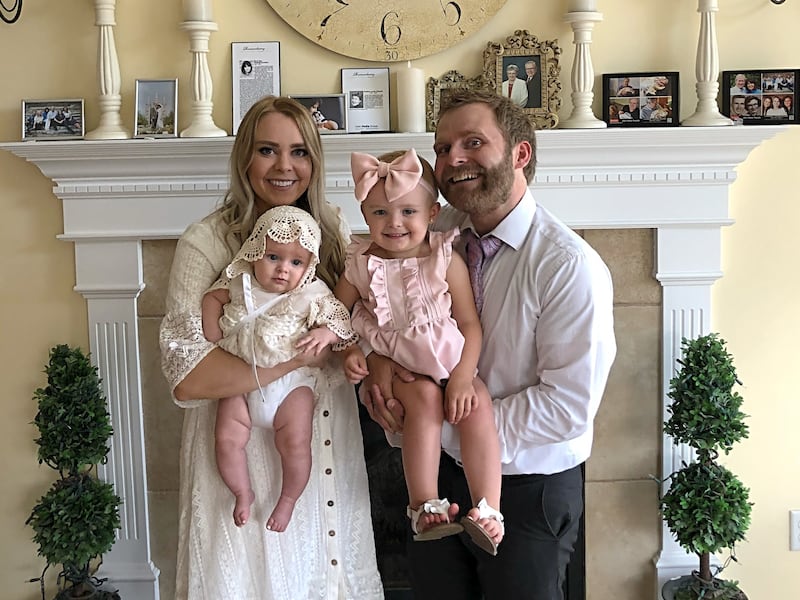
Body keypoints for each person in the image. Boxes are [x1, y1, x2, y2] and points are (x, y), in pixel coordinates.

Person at [360, 88, 617, 599]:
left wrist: (438, 424)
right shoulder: (429, 234)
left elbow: (567, 408)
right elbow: (389, 316)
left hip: (527, 491)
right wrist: (378, 369)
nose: (452, 159)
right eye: (442, 147)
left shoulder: (567, 266)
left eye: (472, 142)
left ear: (520, 154)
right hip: (438, 484)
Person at [159, 95, 383, 599]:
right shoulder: (207, 242)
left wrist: (377, 373)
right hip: (240, 448)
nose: (285, 166)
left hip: (323, 429)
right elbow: (187, 369)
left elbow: (357, 324)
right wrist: (281, 367)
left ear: (315, 161)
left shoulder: (331, 231)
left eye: (300, 152)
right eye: (267, 150)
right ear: (244, 159)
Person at [336, 148, 504, 555]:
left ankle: (488, 510)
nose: (394, 224)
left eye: (408, 212)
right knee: (426, 402)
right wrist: (351, 353)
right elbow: (334, 316)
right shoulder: (359, 264)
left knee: (479, 404)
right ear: (364, 214)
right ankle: (424, 506)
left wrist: (464, 376)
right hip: (401, 370)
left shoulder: (445, 258)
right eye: (379, 213)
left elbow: (469, 324)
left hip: (449, 361)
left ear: (432, 213)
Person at [202, 205, 358, 532]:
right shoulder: (239, 283)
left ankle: (287, 499)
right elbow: (210, 299)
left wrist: (325, 333)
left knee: (296, 443)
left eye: (296, 262)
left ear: (309, 266)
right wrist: (212, 337)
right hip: (240, 383)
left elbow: (341, 319)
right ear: (255, 251)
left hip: (291, 384)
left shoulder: (312, 293)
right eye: (273, 257)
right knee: (227, 440)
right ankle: (242, 492)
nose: (283, 269)